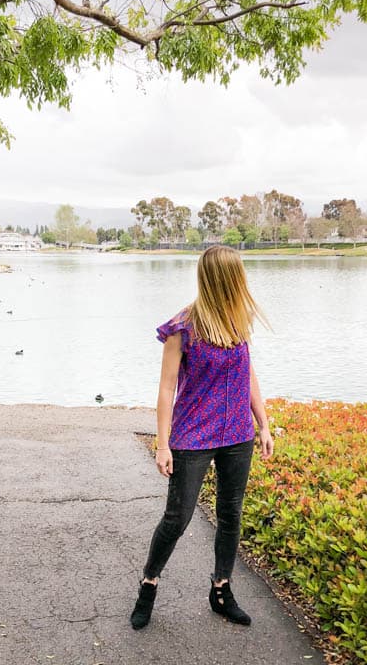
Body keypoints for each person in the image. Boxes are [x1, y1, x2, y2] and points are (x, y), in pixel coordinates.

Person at [130, 245, 274, 630]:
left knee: (231, 514)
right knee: (177, 518)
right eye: (236, 274)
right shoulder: (183, 327)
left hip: (237, 435)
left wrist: (263, 423)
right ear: (221, 277)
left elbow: (248, 375)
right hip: (193, 436)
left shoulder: (238, 322)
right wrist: (162, 444)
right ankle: (148, 583)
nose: (241, 280)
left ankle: (221, 590)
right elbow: (166, 389)